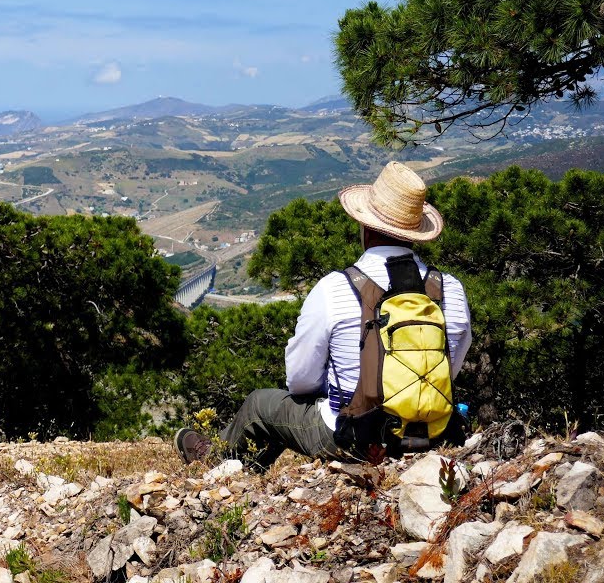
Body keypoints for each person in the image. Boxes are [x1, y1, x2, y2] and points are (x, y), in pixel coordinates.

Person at [175, 161, 472, 468]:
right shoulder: (449, 289)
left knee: (260, 405)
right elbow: (449, 370)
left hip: (353, 439)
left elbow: (300, 381)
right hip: (431, 436)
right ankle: (239, 471)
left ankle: (215, 463)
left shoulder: (336, 288)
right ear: (415, 233)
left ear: (366, 227)